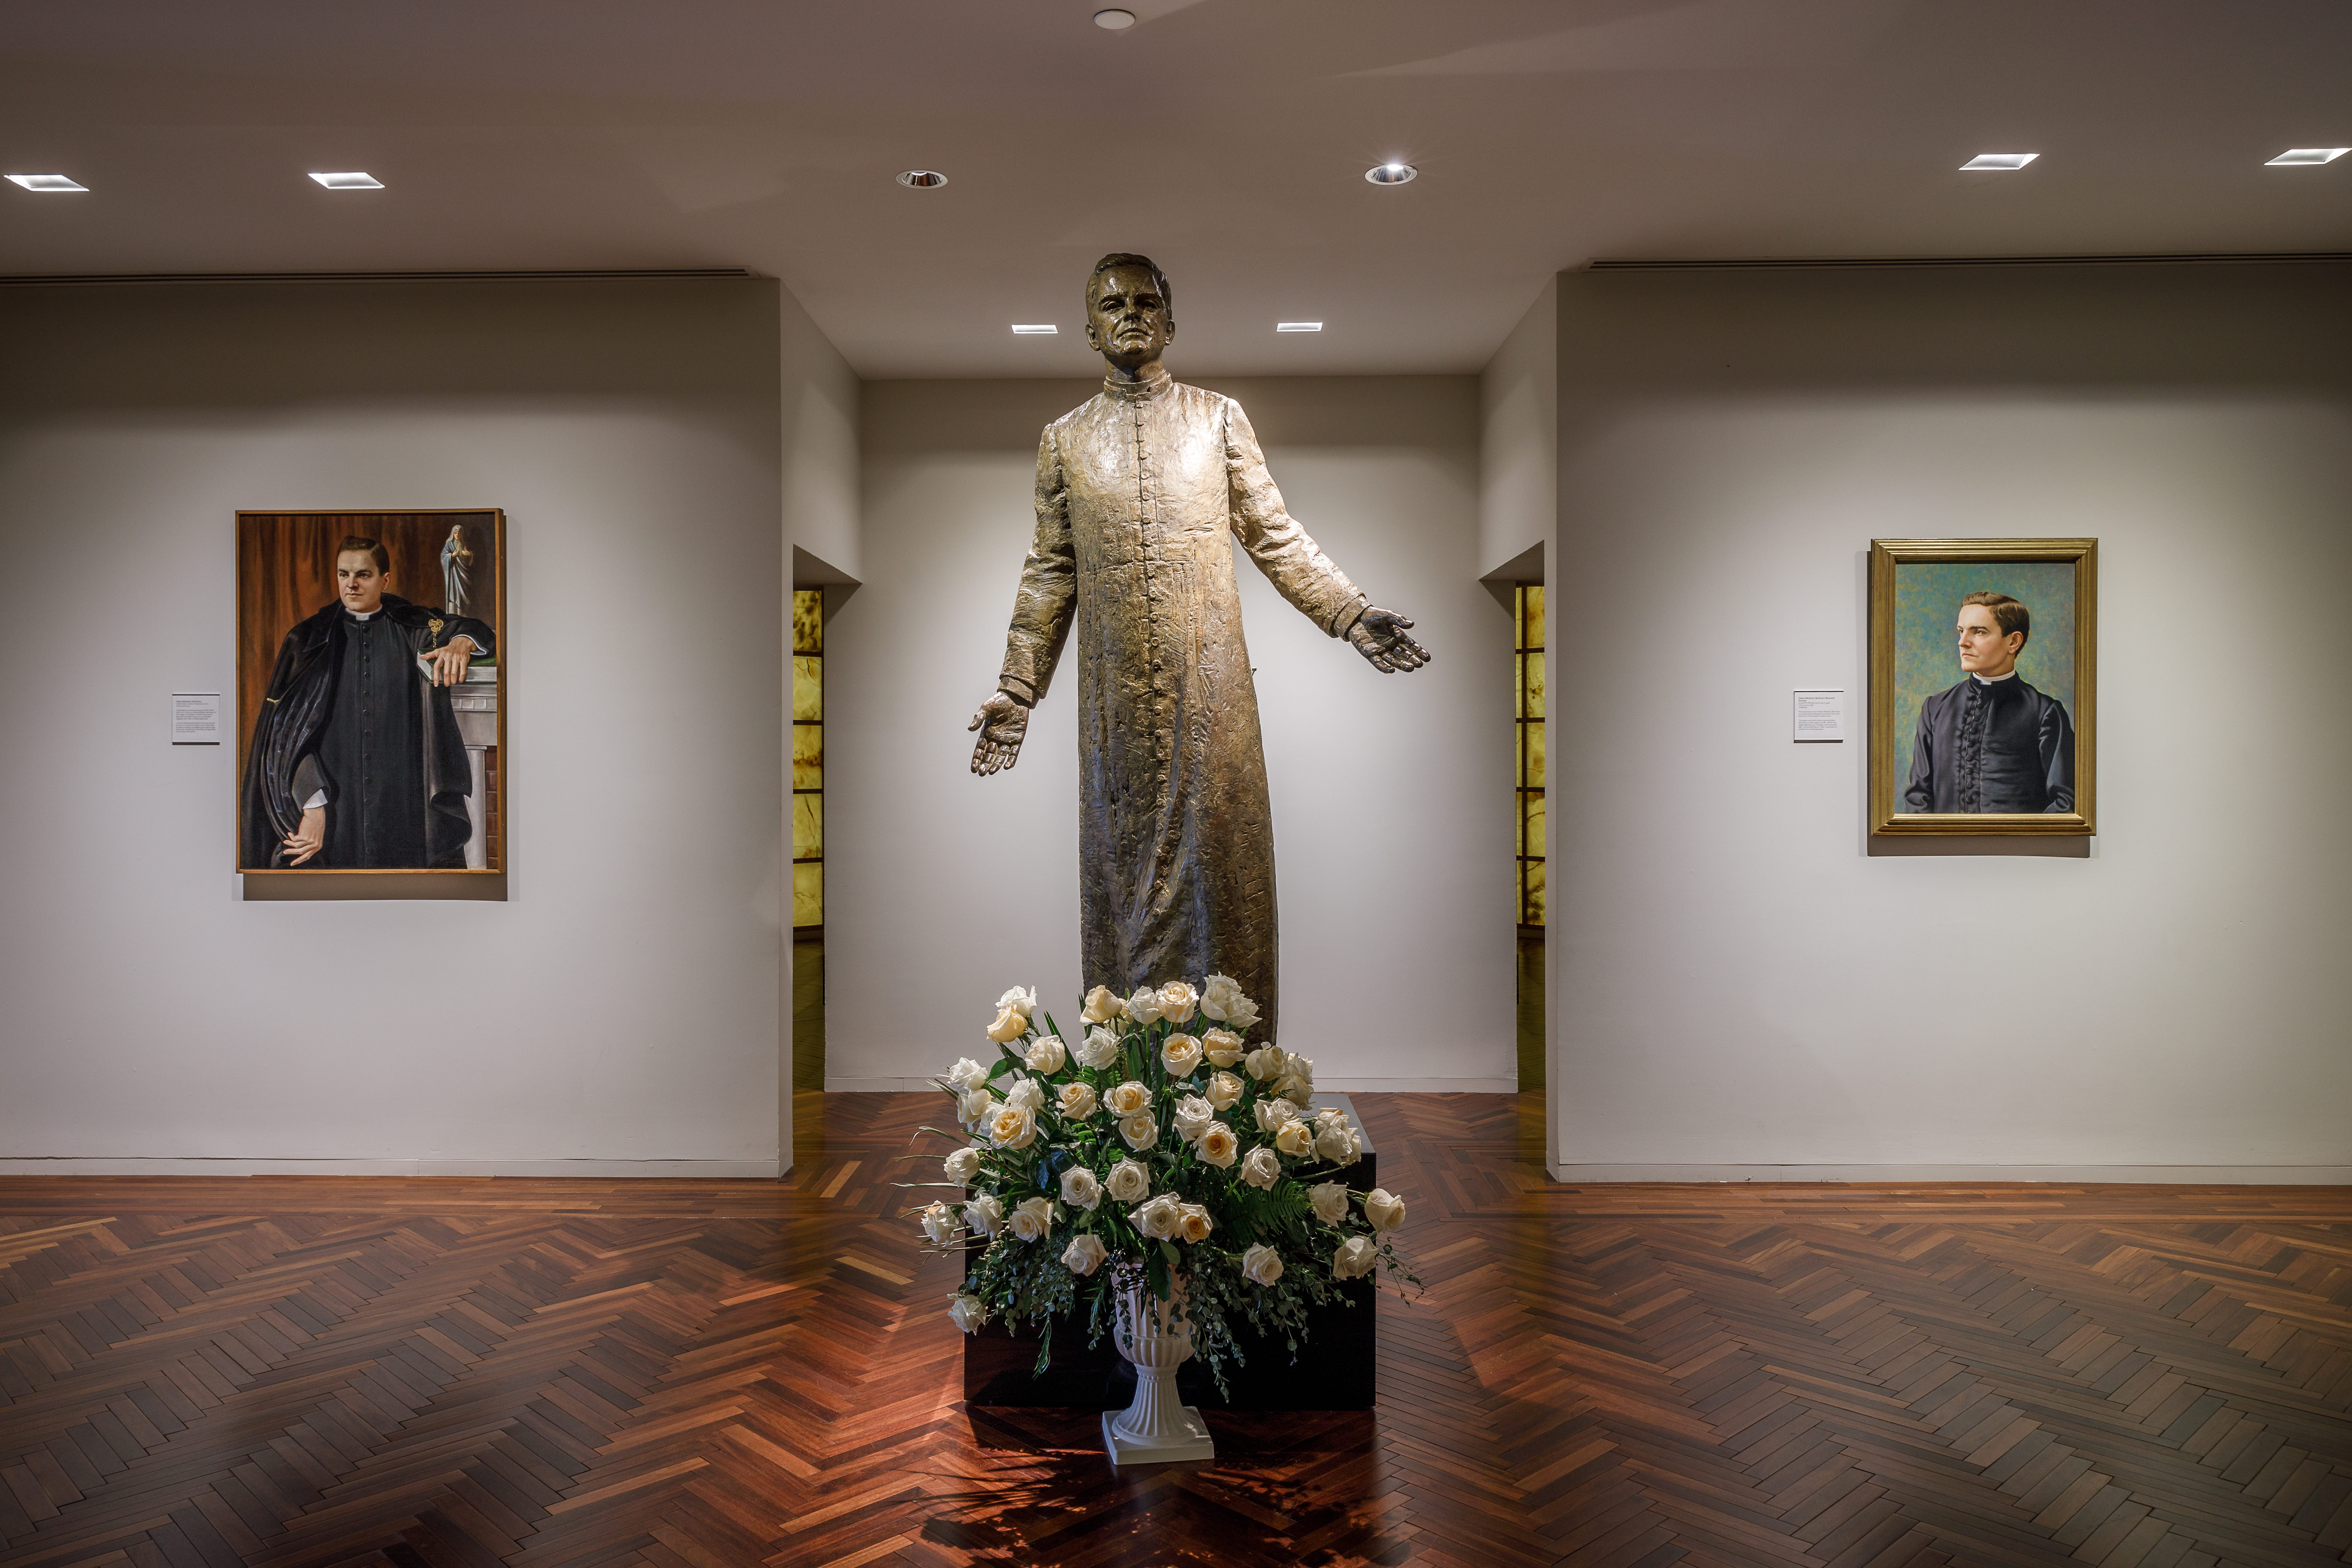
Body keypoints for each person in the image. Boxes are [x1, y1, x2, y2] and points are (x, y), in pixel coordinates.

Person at [967, 253, 1429, 1039]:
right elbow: (1048, 573)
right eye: (1112, 305)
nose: (1131, 314)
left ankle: (1242, 1087)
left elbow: (1274, 535)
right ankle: (1129, 1088)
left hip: (1210, 697)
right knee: (1120, 881)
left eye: (1147, 302)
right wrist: (1016, 692)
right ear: (1088, 331)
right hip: (1113, 705)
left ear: (1172, 322)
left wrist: (1349, 614)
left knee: (1226, 880)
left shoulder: (1217, 418)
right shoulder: (1064, 441)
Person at [240, 535, 497, 868]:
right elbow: (285, 738)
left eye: (363, 575)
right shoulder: (308, 641)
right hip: (334, 805)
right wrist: (312, 804)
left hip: (403, 802)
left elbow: (476, 630)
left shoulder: (414, 628)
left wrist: (461, 642)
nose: (352, 585)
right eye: (344, 574)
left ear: (385, 580)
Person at [1903, 590, 2074, 813]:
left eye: (1979, 632)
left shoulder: (2044, 712)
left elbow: (2066, 803)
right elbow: (1918, 796)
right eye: (1961, 631)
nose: (1963, 642)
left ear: (2013, 642)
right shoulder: (1935, 707)